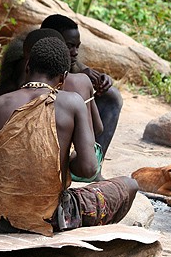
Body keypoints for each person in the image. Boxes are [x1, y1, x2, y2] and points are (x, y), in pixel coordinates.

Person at [0, 37, 138, 236]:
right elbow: (88, 169)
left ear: (28, 66)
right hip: (53, 218)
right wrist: (64, 160)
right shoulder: (72, 102)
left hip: (4, 220)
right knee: (130, 185)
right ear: (62, 78)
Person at [41, 14, 123, 158]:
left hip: (64, 123)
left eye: (77, 47)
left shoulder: (71, 60)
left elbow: (82, 73)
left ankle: (94, 163)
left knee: (112, 95)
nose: (75, 52)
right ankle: (84, 162)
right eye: (70, 46)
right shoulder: (27, 58)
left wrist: (103, 80)